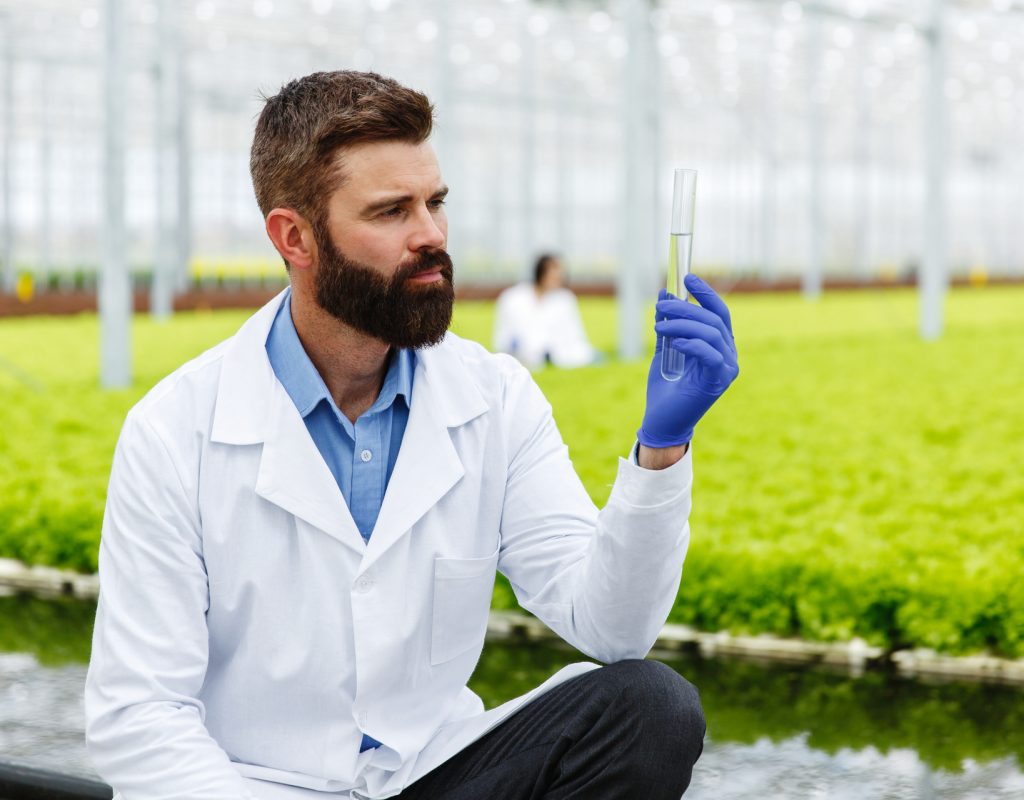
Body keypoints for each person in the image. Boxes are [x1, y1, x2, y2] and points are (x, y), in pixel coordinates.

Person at [84, 71, 739, 800]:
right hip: (255, 786)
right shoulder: (175, 431)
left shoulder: (494, 399)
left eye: (435, 203)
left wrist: (661, 449)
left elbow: (611, 629)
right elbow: (139, 716)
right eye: (392, 211)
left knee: (649, 708)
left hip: (432, 776)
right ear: (294, 236)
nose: (430, 234)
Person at [493, 254, 598, 369]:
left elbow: (574, 335)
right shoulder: (513, 298)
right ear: (541, 274)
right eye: (553, 275)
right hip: (521, 352)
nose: (559, 279)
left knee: (585, 355)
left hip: (558, 353)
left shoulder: (564, 299)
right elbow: (505, 335)